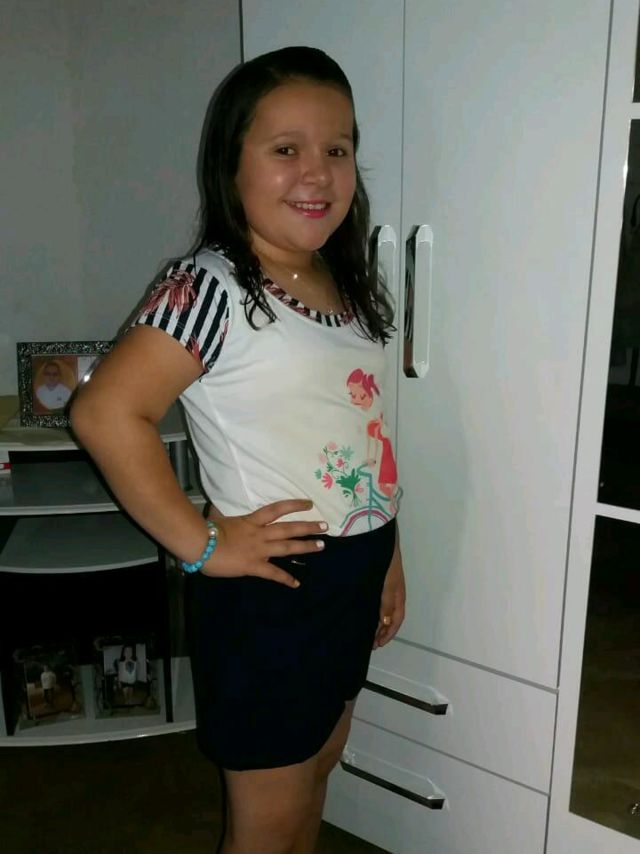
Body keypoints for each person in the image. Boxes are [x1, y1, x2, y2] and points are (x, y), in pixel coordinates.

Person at [70, 46, 406, 854]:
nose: (317, 172)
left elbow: (361, 433)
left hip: (351, 575)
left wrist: (391, 556)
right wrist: (202, 545)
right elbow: (105, 414)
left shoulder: (343, 280)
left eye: (337, 149)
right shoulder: (209, 287)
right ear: (232, 164)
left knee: (317, 773)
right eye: (286, 149)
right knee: (266, 826)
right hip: (274, 596)